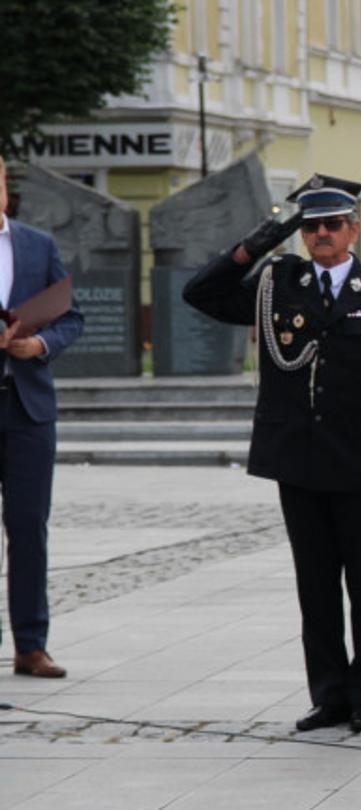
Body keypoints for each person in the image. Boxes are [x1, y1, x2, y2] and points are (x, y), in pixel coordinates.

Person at [183, 174, 361, 733]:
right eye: (311, 226)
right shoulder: (278, 286)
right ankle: (329, 695)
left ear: (353, 230)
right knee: (315, 587)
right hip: (300, 461)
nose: (321, 234)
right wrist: (259, 242)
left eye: (332, 224)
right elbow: (201, 294)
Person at [0, 153, 87, 680]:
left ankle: (31, 645)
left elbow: (71, 317)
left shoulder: (37, 245)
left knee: (29, 526)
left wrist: (39, 344)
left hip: (27, 406)